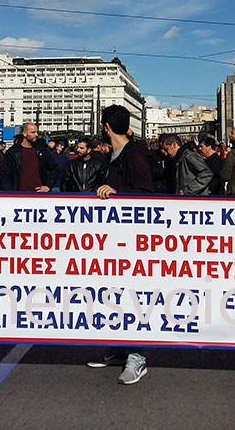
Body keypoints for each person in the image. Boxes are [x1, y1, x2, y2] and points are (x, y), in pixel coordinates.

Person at [90, 105, 154, 385]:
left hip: (133, 239)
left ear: (106, 128)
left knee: (134, 295)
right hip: (116, 237)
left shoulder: (134, 156)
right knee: (116, 294)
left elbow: (146, 193)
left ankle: (137, 356)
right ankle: (120, 347)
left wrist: (118, 193)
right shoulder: (117, 156)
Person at [0, 122, 56, 192]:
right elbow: (4, 174)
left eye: (37, 132)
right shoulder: (12, 152)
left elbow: (54, 169)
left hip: (39, 193)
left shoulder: (42, 151)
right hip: (19, 194)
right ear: (24, 134)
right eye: (33, 132)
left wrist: (48, 186)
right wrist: (9, 192)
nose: (36, 135)